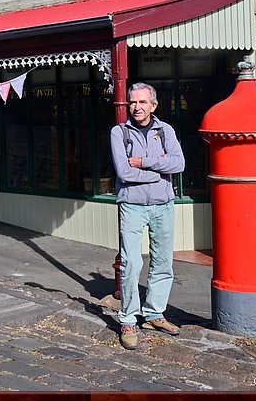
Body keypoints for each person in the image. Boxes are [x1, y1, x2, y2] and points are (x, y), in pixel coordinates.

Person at [110, 82, 185, 350]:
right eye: (133, 102)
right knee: (131, 264)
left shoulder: (166, 131)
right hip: (132, 205)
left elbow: (179, 164)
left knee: (163, 262)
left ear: (153, 105)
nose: (136, 107)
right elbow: (124, 173)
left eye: (142, 102)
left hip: (164, 204)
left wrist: (144, 162)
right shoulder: (119, 133)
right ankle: (128, 319)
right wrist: (160, 170)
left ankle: (154, 314)